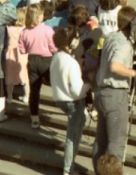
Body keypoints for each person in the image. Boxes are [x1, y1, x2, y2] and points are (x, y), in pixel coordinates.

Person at [92, 6, 136, 173]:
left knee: (101, 142)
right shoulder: (124, 44)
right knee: (116, 144)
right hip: (115, 95)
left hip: (102, 92)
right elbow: (115, 66)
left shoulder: (110, 37)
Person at [52, 25, 90, 175]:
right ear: (73, 42)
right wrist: (88, 86)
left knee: (73, 133)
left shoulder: (56, 56)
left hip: (60, 98)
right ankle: (68, 170)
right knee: (72, 138)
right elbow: (77, 91)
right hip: (73, 102)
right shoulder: (71, 63)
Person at [19, 3, 55, 128]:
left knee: (34, 90)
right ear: (40, 16)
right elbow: (53, 47)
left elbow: (22, 50)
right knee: (56, 84)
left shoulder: (24, 32)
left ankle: (34, 118)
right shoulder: (47, 30)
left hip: (32, 61)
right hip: (47, 60)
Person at [5, 7, 26, 113]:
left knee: (10, 76)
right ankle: (26, 96)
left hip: (10, 54)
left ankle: (9, 97)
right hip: (22, 54)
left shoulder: (9, 28)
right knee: (24, 76)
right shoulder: (25, 29)